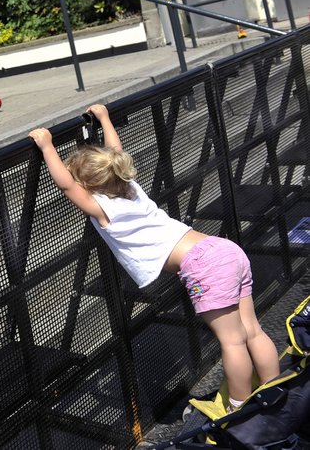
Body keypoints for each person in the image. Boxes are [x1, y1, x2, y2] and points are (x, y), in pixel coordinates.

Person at [29, 103, 280, 412]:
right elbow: (114, 150)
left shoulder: (104, 210)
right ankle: (275, 392)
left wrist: (46, 146)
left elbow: (65, 184)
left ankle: (240, 411)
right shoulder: (130, 187)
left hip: (204, 265)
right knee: (252, 329)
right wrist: (105, 118)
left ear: (88, 186)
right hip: (224, 249)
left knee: (232, 341)